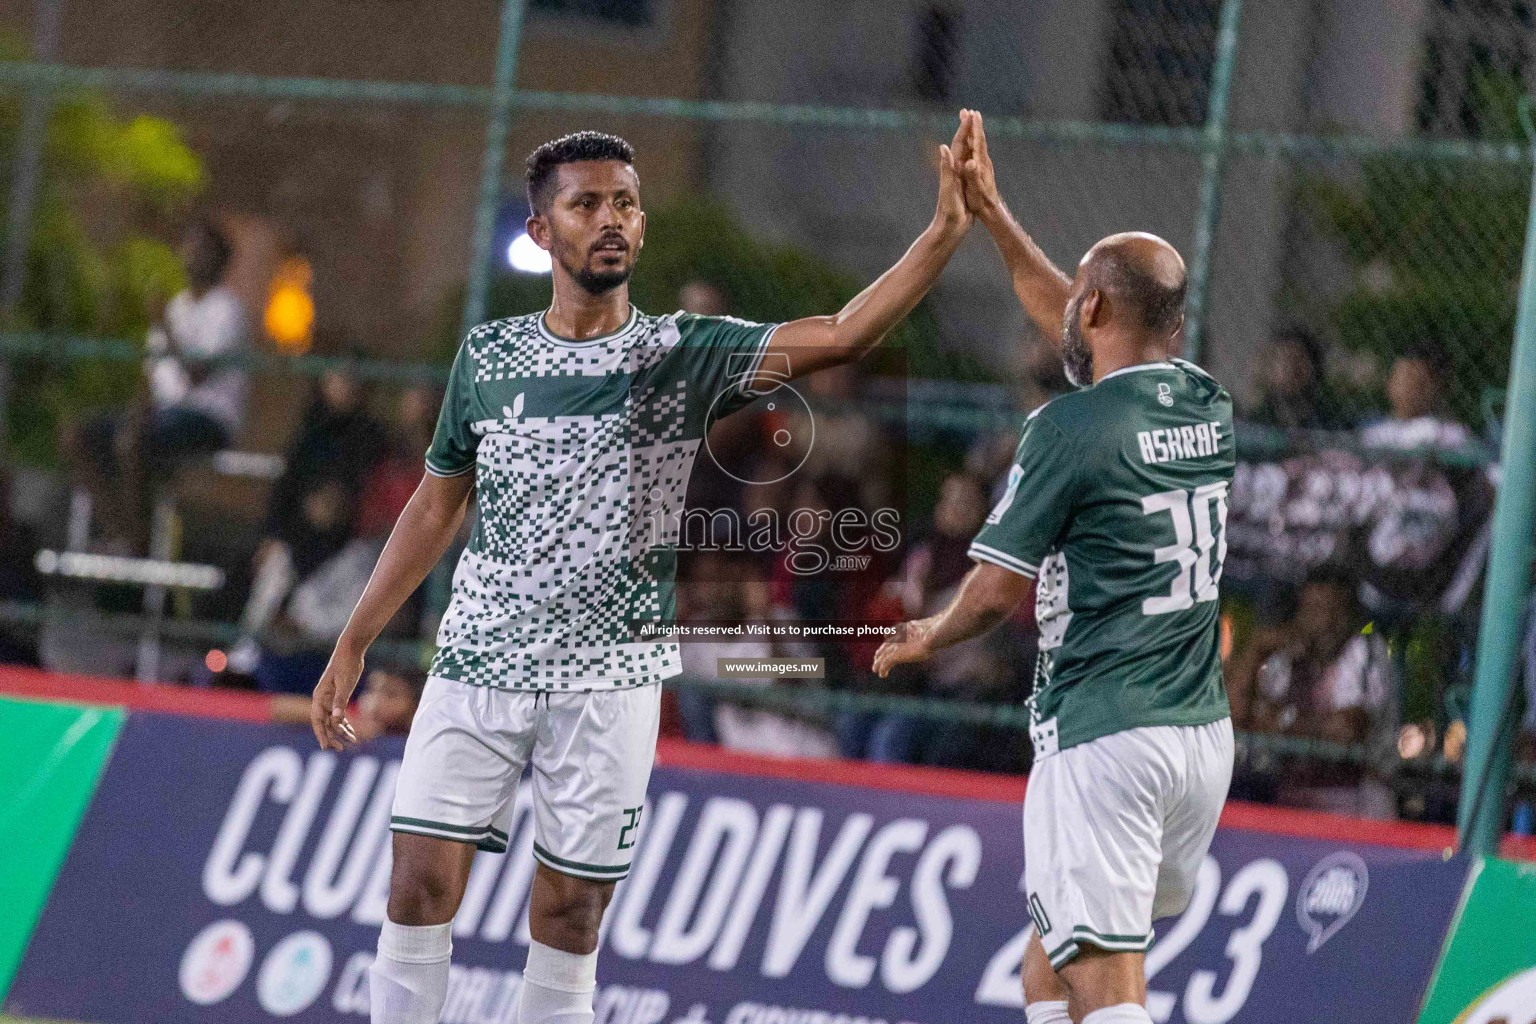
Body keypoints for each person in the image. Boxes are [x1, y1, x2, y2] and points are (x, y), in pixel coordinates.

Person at [310, 123, 976, 1024]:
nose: (611, 219)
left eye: (625, 202)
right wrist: (354, 640)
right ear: (543, 231)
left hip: (608, 678)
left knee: (570, 914)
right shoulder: (490, 358)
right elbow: (434, 506)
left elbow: (844, 333)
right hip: (479, 662)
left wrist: (939, 236)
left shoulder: (683, 353)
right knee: (419, 886)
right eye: (586, 204)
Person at [874, 111, 1235, 1024]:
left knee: (1109, 989)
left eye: (1081, 295)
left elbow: (995, 592)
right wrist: (993, 214)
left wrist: (930, 631)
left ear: (1099, 309)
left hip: (1104, 731)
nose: (1067, 306)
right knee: (1049, 966)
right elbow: (1089, 332)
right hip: (1197, 736)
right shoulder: (1206, 403)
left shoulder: (1066, 430)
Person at [70, 218, 250, 550]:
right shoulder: (176, 306)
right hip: (164, 415)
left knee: (131, 440)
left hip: (207, 418)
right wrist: (137, 410)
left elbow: (197, 374)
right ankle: (120, 531)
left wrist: (163, 325)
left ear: (219, 260)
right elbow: (151, 375)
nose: (193, 255)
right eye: (190, 247)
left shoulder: (228, 309)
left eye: (203, 250)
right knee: (78, 434)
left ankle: (137, 540)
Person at [1227, 570, 1396, 817]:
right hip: (1295, 802)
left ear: (1349, 616)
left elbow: (1345, 731)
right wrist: (1256, 650)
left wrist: (1280, 722)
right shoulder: (1290, 657)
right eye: (1313, 610)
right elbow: (1235, 715)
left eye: (1333, 611)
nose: (1324, 622)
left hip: (1358, 804)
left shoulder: (1366, 649)